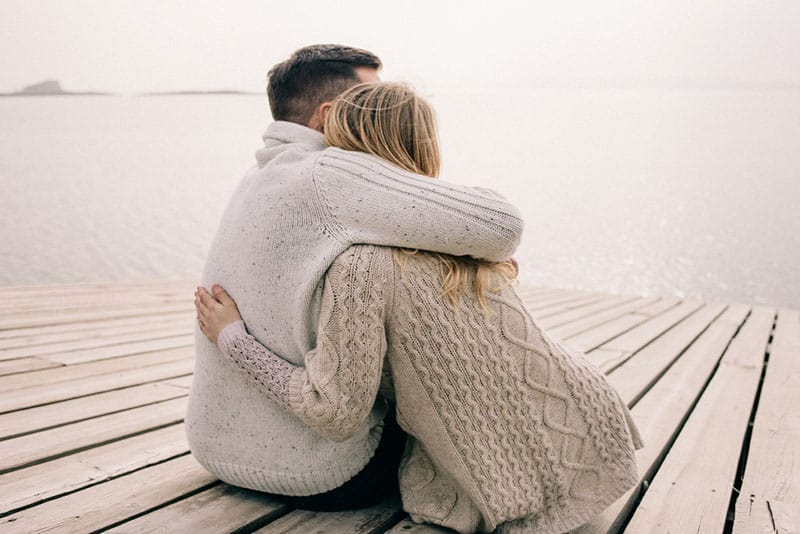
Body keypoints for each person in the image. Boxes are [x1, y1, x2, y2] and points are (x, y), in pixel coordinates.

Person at [195, 82, 644, 534]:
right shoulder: (463, 246)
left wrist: (233, 339)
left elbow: (332, 410)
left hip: (509, 482)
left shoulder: (360, 265)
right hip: (592, 428)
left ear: (347, 150)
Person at [185, 45, 524, 511]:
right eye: (371, 98)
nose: (385, 110)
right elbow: (502, 226)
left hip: (219, 452)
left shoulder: (259, 174)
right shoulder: (328, 173)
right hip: (325, 473)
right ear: (328, 116)